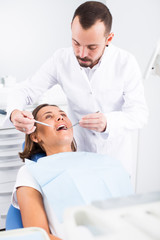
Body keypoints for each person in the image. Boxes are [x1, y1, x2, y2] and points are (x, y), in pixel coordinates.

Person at [5, 1, 148, 178]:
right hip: (76, 158)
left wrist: (107, 123)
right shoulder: (61, 60)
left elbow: (139, 115)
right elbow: (25, 91)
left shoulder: (126, 63)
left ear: (108, 39)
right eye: (76, 43)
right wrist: (14, 113)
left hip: (115, 161)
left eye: (91, 47)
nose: (81, 53)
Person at [12, 103, 133, 240]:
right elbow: (38, 235)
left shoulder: (102, 162)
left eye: (63, 115)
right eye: (49, 116)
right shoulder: (30, 171)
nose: (60, 118)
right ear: (35, 136)